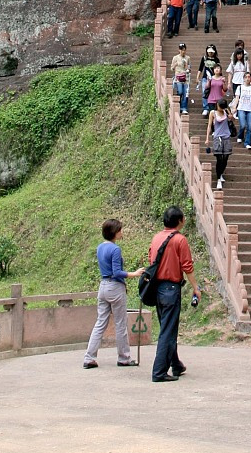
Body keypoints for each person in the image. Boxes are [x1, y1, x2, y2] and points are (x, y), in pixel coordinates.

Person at [148, 206, 201, 382]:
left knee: (167, 326)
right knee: (167, 331)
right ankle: (159, 371)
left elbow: (151, 260)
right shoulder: (180, 240)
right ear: (180, 221)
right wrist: (196, 288)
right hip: (171, 288)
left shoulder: (156, 238)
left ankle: (176, 365)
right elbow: (187, 266)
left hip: (157, 288)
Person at [83, 218, 142, 368]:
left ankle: (89, 357)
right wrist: (134, 274)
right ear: (114, 233)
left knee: (100, 323)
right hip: (115, 287)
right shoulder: (115, 249)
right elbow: (117, 272)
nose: (122, 232)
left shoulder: (100, 247)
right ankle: (124, 357)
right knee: (120, 323)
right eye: (120, 230)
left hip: (103, 286)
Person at [205, 98, 235, 189]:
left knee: (225, 158)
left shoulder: (226, 111)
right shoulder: (213, 113)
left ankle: (221, 173)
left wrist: (230, 115)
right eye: (219, 106)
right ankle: (218, 179)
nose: (220, 108)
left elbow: (232, 119)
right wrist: (207, 138)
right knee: (219, 158)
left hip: (226, 136)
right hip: (217, 137)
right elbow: (209, 125)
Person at [233, 71, 251, 149]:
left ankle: (247, 142)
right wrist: (234, 107)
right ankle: (240, 135)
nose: (247, 78)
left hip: (250, 109)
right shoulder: (240, 87)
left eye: (249, 77)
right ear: (243, 78)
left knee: (250, 126)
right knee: (243, 125)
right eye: (246, 77)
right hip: (241, 108)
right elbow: (237, 98)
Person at [198, 43, 220, 116]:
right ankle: (205, 108)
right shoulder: (204, 58)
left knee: (213, 92)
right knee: (205, 92)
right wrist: (197, 77)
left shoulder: (216, 60)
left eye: (212, 52)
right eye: (209, 52)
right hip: (205, 78)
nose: (210, 53)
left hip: (214, 78)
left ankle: (213, 106)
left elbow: (219, 69)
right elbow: (200, 68)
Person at [170, 42, 190, 115]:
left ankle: (184, 108)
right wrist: (175, 65)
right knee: (180, 91)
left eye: (184, 50)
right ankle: (178, 105)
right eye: (181, 50)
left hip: (186, 78)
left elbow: (189, 68)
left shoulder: (188, 58)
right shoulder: (175, 57)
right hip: (178, 77)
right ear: (179, 50)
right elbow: (171, 68)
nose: (183, 51)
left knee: (185, 93)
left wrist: (187, 66)